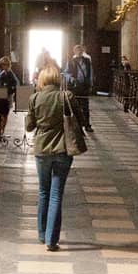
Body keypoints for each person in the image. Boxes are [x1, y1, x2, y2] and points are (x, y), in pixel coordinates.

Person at [25, 64, 84, 250]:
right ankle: (52, 239)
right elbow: (80, 118)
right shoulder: (67, 96)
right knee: (56, 194)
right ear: (59, 79)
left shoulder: (35, 98)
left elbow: (29, 126)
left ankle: (42, 234)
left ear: (41, 80)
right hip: (63, 149)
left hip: (42, 150)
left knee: (43, 191)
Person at [63, 43, 94, 132]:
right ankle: (76, 125)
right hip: (75, 86)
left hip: (84, 86)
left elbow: (91, 72)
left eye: (81, 50)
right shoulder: (71, 61)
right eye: (77, 50)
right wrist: (71, 78)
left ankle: (87, 125)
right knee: (75, 106)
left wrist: (91, 84)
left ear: (82, 51)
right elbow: (65, 73)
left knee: (85, 106)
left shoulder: (87, 61)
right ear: (75, 51)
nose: (79, 52)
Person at [0, 55, 19, 143]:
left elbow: (17, 81)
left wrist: (14, 87)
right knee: (0, 114)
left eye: (7, 65)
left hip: (8, 95)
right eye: (3, 65)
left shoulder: (10, 72)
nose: (5, 67)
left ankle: (2, 131)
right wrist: (0, 74)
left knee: (5, 114)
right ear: (0, 64)